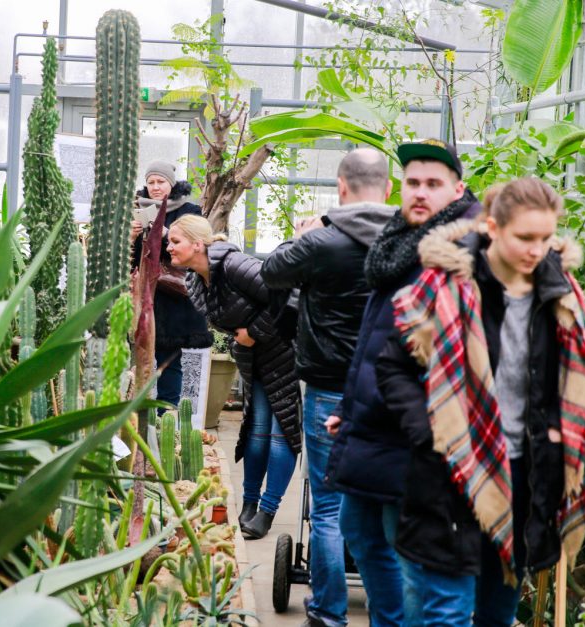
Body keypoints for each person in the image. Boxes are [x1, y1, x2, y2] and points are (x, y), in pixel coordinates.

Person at [377, 177, 585, 625]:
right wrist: (431, 433)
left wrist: (557, 431)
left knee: (498, 613)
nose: (537, 251)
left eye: (545, 238)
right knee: (447, 613)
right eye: (525, 238)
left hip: (526, 475)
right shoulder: (444, 287)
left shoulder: (560, 294)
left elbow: (569, 380)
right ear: (493, 228)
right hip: (451, 470)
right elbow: (392, 366)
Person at [323, 139, 483, 626]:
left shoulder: (458, 251)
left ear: (456, 190)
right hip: (374, 423)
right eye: (413, 182)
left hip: (416, 435)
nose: (420, 192)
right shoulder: (399, 243)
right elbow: (377, 340)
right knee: (359, 530)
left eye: (433, 184)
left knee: (413, 559)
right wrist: (351, 412)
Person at [261, 148, 395, 627]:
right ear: (390, 188)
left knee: (329, 507)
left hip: (328, 391)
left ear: (341, 187)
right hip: (393, 396)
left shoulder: (321, 244)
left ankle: (328, 614)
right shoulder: (413, 244)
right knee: (387, 508)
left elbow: (271, 271)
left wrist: (304, 235)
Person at [167, 214, 302, 540]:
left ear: (197, 244)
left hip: (283, 352)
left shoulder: (234, 265)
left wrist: (254, 332)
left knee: (280, 432)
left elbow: (290, 299)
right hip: (252, 358)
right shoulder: (195, 279)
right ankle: (249, 505)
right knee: (256, 433)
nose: (168, 247)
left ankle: (267, 511)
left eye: (175, 241)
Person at [131, 160, 212, 409]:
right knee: (139, 359)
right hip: (144, 293)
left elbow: (198, 247)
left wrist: (166, 233)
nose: (155, 187)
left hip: (173, 295)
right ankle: (138, 415)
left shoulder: (189, 211)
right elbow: (132, 258)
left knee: (170, 360)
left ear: (171, 183)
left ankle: (167, 415)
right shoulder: (137, 209)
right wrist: (132, 236)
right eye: (151, 182)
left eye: (161, 182)